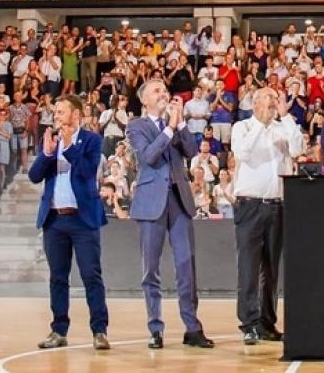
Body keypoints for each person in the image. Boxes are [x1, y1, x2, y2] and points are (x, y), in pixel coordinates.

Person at [127, 80, 214, 349]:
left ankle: (192, 327)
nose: (163, 93)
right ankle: (155, 327)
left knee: (186, 266)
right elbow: (149, 157)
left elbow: (190, 152)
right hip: (151, 201)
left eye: (164, 90)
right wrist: (169, 128)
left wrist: (182, 124)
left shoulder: (175, 123)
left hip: (179, 199)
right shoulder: (136, 126)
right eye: (157, 91)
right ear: (144, 100)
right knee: (150, 268)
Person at [30, 94, 111, 351]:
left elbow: (87, 171)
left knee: (91, 275)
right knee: (57, 277)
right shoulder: (51, 142)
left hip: (82, 220)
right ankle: (58, 330)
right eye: (55, 113)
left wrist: (68, 146)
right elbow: (34, 176)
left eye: (61, 112)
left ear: (76, 115)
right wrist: (46, 153)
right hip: (54, 220)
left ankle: (99, 330)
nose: (57, 117)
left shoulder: (92, 140)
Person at [228, 87, 303, 345]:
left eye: (276, 98)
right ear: (256, 103)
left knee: (271, 268)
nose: (274, 102)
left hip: (277, 205)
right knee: (248, 266)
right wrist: (261, 125)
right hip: (249, 205)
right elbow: (243, 153)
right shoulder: (242, 127)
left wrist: (287, 118)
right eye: (270, 98)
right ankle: (249, 322)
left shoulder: (282, 128)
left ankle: (267, 322)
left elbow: (297, 149)